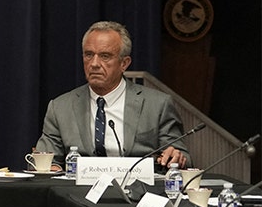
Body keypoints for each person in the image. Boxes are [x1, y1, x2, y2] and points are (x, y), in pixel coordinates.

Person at [35, 21, 188, 168]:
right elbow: (45, 161)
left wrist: (176, 156)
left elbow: (182, 158)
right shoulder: (60, 108)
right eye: (89, 55)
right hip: (77, 193)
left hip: (138, 192)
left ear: (124, 63)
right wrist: (49, 167)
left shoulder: (157, 105)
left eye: (105, 56)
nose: (94, 64)